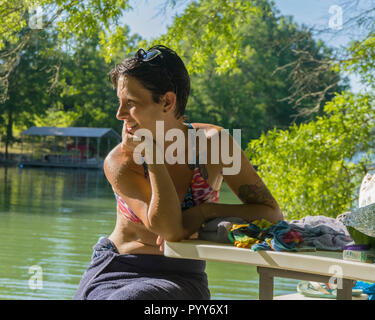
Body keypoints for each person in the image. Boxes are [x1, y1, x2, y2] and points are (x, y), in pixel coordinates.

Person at [73, 45, 284, 300]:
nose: (119, 114)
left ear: (167, 101)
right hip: (114, 269)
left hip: (182, 277)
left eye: (130, 103)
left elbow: (271, 213)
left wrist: (208, 211)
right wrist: (152, 155)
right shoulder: (119, 160)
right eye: (119, 102)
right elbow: (170, 228)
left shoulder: (215, 145)